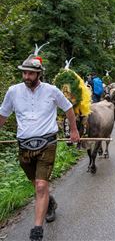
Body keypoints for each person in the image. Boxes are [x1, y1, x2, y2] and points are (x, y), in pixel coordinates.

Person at [0, 53, 80, 241]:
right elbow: (3, 115)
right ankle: (50, 203)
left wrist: (74, 131)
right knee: (37, 185)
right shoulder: (13, 91)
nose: (26, 76)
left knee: (42, 184)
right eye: (24, 73)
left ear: (39, 74)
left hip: (47, 143)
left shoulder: (52, 91)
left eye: (30, 73)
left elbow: (68, 108)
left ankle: (37, 229)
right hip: (24, 146)